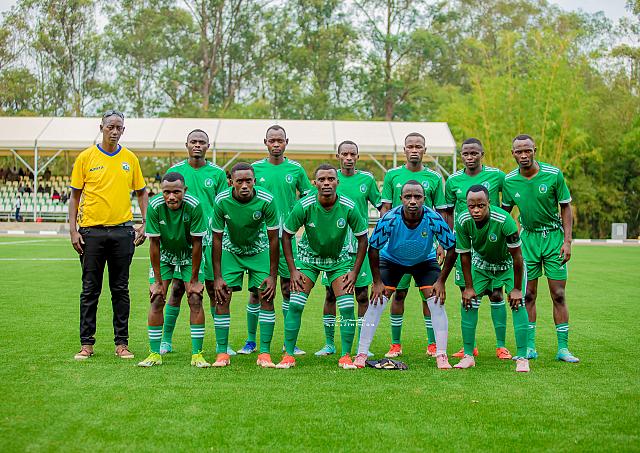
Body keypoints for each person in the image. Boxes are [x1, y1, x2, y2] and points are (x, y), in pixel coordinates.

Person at [69, 110, 148, 360]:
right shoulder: (86, 157)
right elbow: (75, 196)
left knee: (120, 289)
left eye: (118, 127)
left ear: (123, 130)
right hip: (91, 232)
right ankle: (86, 344)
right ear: (101, 127)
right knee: (90, 289)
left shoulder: (130, 158)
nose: (114, 131)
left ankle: (121, 344)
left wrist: (145, 223)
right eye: (110, 127)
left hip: (123, 232)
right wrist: (73, 230)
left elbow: (142, 192)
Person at [354, 180, 457, 369]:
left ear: (424, 199)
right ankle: (361, 354)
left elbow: (452, 248)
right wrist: (377, 282)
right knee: (377, 302)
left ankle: (442, 355)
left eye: (417, 197)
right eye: (408, 196)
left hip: (424, 261)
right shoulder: (389, 219)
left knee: (436, 302)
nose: (413, 201)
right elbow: (373, 249)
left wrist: (441, 281)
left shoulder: (433, 218)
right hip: (392, 260)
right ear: (401, 198)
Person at [276, 164, 368, 369]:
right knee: (295, 304)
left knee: (347, 307)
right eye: (322, 180)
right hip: (308, 259)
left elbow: (363, 239)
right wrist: (293, 270)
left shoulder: (348, 206)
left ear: (337, 182)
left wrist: (354, 271)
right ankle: (288, 355)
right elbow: (287, 234)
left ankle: (345, 356)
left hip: (339, 260)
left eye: (330, 179)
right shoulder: (304, 205)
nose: (326, 183)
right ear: (314, 183)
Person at [502, 134, 579, 363]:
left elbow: (565, 207)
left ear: (535, 150)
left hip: (553, 238)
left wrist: (567, 241)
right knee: (528, 295)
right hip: (528, 240)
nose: (524, 155)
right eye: (519, 151)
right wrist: (507, 242)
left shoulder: (553, 174)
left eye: (528, 150)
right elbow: (504, 214)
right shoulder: (509, 181)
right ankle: (529, 347)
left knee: (559, 294)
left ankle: (563, 349)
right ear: (513, 154)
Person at [240, 125, 313, 356]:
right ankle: (251, 341)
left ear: (286, 142)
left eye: (279, 140)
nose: (276, 144)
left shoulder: (296, 169)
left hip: (288, 239)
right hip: (261, 241)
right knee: (258, 291)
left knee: (289, 289)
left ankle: (288, 343)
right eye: (272, 140)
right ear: (265, 142)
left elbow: (309, 198)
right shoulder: (255, 169)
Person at [160, 130, 230, 355]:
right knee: (178, 288)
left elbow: (224, 205)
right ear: (187, 145)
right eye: (193, 142)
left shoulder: (217, 174)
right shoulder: (175, 171)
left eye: (202, 142)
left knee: (213, 289)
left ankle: (222, 344)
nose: (197, 145)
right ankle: (165, 340)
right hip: (182, 241)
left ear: (208, 146)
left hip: (210, 240)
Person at [380, 132, 448, 358]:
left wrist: (441, 243)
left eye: (419, 146)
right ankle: (395, 344)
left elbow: (441, 212)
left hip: (425, 247)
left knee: (428, 296)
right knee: (398, 295)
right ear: (404, 150)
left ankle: (432, 344)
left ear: (425, 150)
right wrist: (384, 237)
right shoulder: (392, 175)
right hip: (396, 249)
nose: (414, 150)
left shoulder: (434, 178)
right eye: (410, 146)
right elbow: (385, 210)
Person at [444, 138, 510, 359]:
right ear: (461, 155)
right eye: (466, 153)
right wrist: (447, 241)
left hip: (492, 244)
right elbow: (449, 213)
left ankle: (501, 345)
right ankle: (469, 346)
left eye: (474, 153)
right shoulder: (453, 180)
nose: (470, 157)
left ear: (482, 154)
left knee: (496, 293)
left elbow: (506, 205)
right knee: (467, 293)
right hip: (465, 245)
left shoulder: (497, 176)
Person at [315, 141, 381, 357]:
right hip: (334, 247)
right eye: (345, 154)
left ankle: (363, 346)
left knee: (362, 295)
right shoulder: (331, 179)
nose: (349, 158)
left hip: (360, 245)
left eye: (353, 154)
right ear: (338, 156)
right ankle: (329, 343)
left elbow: (382, 207)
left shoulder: (367, 180)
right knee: (330, 295)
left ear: (358, 157)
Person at [453, 185, 530, 372]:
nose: (476, 210)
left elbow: (517, 256)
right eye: (472, 206)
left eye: (481, 205)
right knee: (468, 302)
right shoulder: (462, 220)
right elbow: (464, 255)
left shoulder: (504, 220)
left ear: (489, 203)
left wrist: (517, 289)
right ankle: (468, 356)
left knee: (518, 303)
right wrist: (468, 287)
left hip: (508, 265)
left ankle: (522, 358)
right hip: (481, 265)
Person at [210, 163, 280, 368]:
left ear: (254, 181)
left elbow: (274, 239)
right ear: (231, 182)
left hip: (259, 250)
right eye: (239, 181)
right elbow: (216, 239)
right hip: (231, 251)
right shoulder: (221, 200)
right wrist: (217, 277)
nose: (244, 185)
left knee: (266, 296)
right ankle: (222, 353)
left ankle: (265, 353)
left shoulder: (267, 200)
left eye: (248, 181)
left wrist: (272, 276)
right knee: (222, 297)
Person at [137, 172, 210, 368]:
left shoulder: (194, 205)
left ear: (184, 190)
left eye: (176, 192)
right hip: (164, 255)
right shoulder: (154, 206)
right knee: (157, 297)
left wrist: (194, 280)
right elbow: (154, 244)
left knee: (195, 297)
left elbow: (197, 243)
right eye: (166, 192)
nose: (171, 197)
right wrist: (158, 282)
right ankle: (154, 354)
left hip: (189, 254)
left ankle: (197, 355)